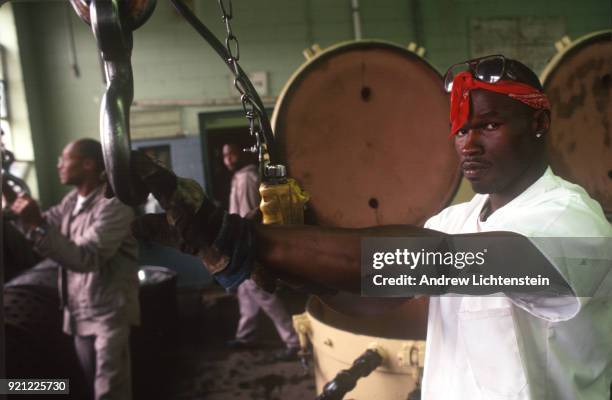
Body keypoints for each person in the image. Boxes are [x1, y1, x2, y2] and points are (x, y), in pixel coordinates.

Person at [130, 56, 611, 399]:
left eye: (488, 125)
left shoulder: (568, 219)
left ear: (540, 123)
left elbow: (436, 263)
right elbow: (384, 296)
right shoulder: (460, 218)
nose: (468, 144)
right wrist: (280, 265)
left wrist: (243, 238)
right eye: (461, 130)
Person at [11, 138, 139, 400]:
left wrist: (38, 225)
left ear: (88, 164)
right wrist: (8, 196)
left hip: (108, 315)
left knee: (109, 392)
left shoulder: (114, 205)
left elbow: (86, 258)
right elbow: (40, 225)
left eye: (64, 159)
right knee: (92, 384)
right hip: (78, 314)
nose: (59, 165)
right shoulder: (73, 201)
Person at [221, 142, 300, 360]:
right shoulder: (240, 177)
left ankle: (294, 341)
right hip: (243, 244)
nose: (228, 159)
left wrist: (241, 250)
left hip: (248, 245)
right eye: (225, 155)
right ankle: (246, 336)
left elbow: (248, 218)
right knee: (246, 293)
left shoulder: (246, 178)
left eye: (232, 154)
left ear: (240, 155)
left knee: (261, 293)